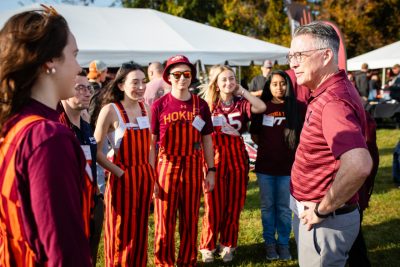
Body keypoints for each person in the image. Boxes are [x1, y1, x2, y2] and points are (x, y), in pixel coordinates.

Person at [0, 6, 91, 266]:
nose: (78, 67)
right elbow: (62, 253)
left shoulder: (13, 124)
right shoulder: (48, 137)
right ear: (50, 60)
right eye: (73, 55)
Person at [288, 21, 373, 266]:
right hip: (320, 215)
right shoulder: (329, 90)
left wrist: (321, 210)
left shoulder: (333, 101)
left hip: (325, 220)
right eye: (291, 55)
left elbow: (358, 164)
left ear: (326, 56)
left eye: (300, 55)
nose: (293, 63)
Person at [151, 55, 215, 267]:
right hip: (166, 166)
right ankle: (164, 262)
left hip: (193, 167)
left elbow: (207, 140)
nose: (181, 78)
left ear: (191, 77)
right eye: (176, 74)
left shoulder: (201, 105)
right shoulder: (159, 105)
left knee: (189, 220)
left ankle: (187, 261)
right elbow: (152, 145)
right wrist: (152, 176)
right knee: (164, 221)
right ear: (168, 77)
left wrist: (211, 170)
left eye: (186, 74)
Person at [199, 65, 266, 263]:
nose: (229, 83)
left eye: (231, 78)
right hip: (214, 158)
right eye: (224, 80)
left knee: (234, 204)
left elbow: (261, 107)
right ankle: (208, 245)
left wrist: (243, 91)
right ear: (217, 84)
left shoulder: (241, 103)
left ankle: (228, 244)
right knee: (213, 205)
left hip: (237, 158)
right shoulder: (208, 105)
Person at [94, 62, 155, 267]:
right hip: (123, 178)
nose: (140, 86)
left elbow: (151, 148)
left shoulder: (146, 108)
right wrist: (120, 173)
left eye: (143, 82)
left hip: (144, 177)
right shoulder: (110, 110)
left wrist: (152, 176)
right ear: (120, 85)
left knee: (139, 230)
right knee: (120, 232)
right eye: (135, 82)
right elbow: (96, 151)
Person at [250, 70, 302, 261]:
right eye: (274, 84)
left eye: (282, 83)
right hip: (265, 168)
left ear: (288, 85)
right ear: (268, 86)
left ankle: (283, 244)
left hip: (288, 169)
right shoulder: (262, 107)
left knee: (284, 208)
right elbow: (254, 134)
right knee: (267, 208)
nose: (279, 87)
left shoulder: (297, 107)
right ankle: (270, 244)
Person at [59, 71, 104, 266]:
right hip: (69, 205)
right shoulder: (57, 125)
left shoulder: (85, 123)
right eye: (80, 88)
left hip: (92, 201)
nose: (87, 93)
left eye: (89, 88)